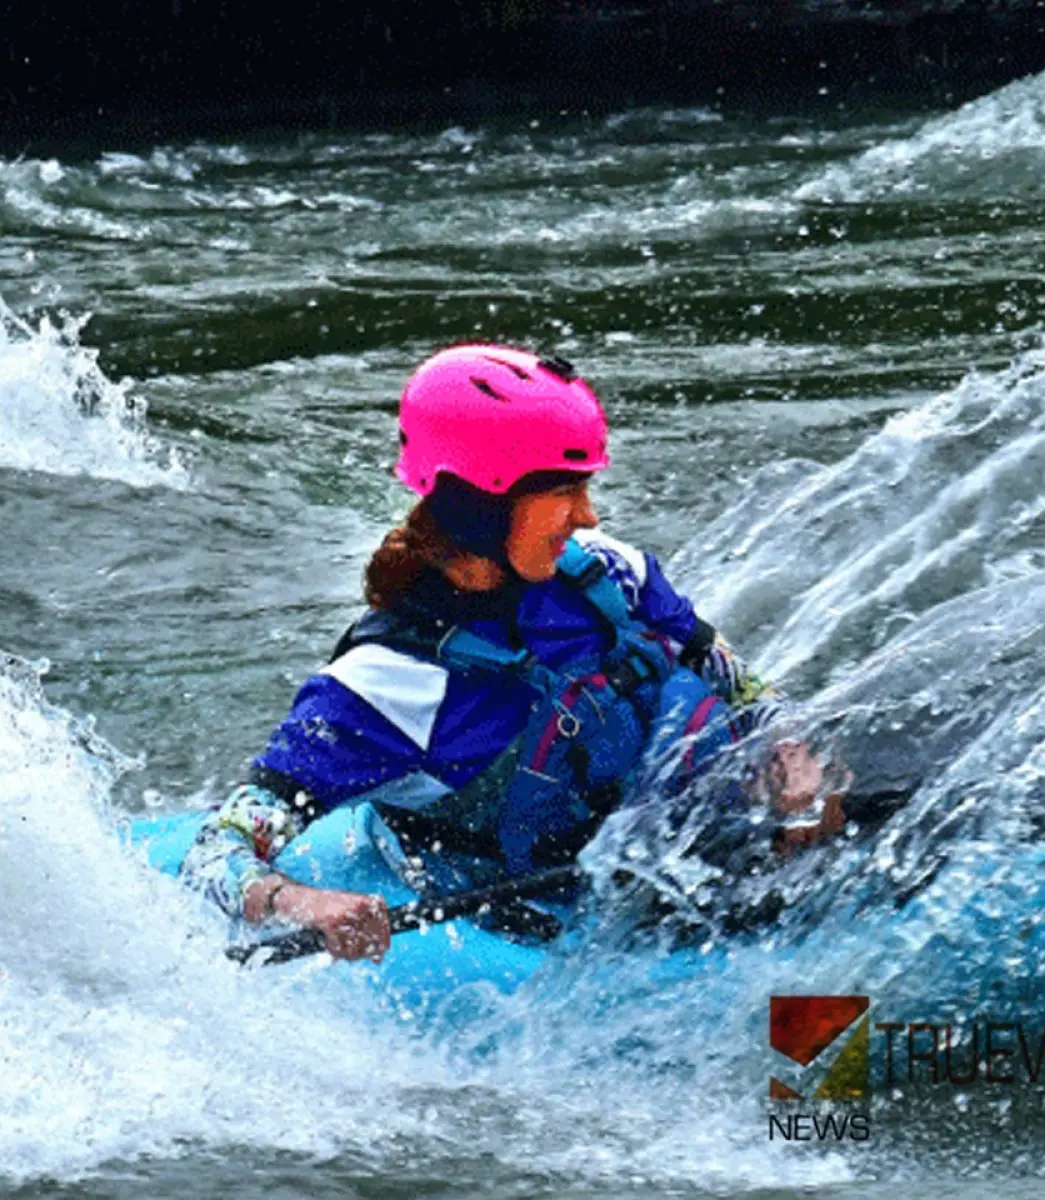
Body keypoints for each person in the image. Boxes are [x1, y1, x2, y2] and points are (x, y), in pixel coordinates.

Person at [180, 344, 843, 961]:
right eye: (563, 493)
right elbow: (214, 854)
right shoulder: (386, 688)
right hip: (543, 919)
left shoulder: (612, 577)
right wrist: (302, 903)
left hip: (690, 848)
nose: (587, 516)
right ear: (483, 505)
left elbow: (746, 693)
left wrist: (793, 758)